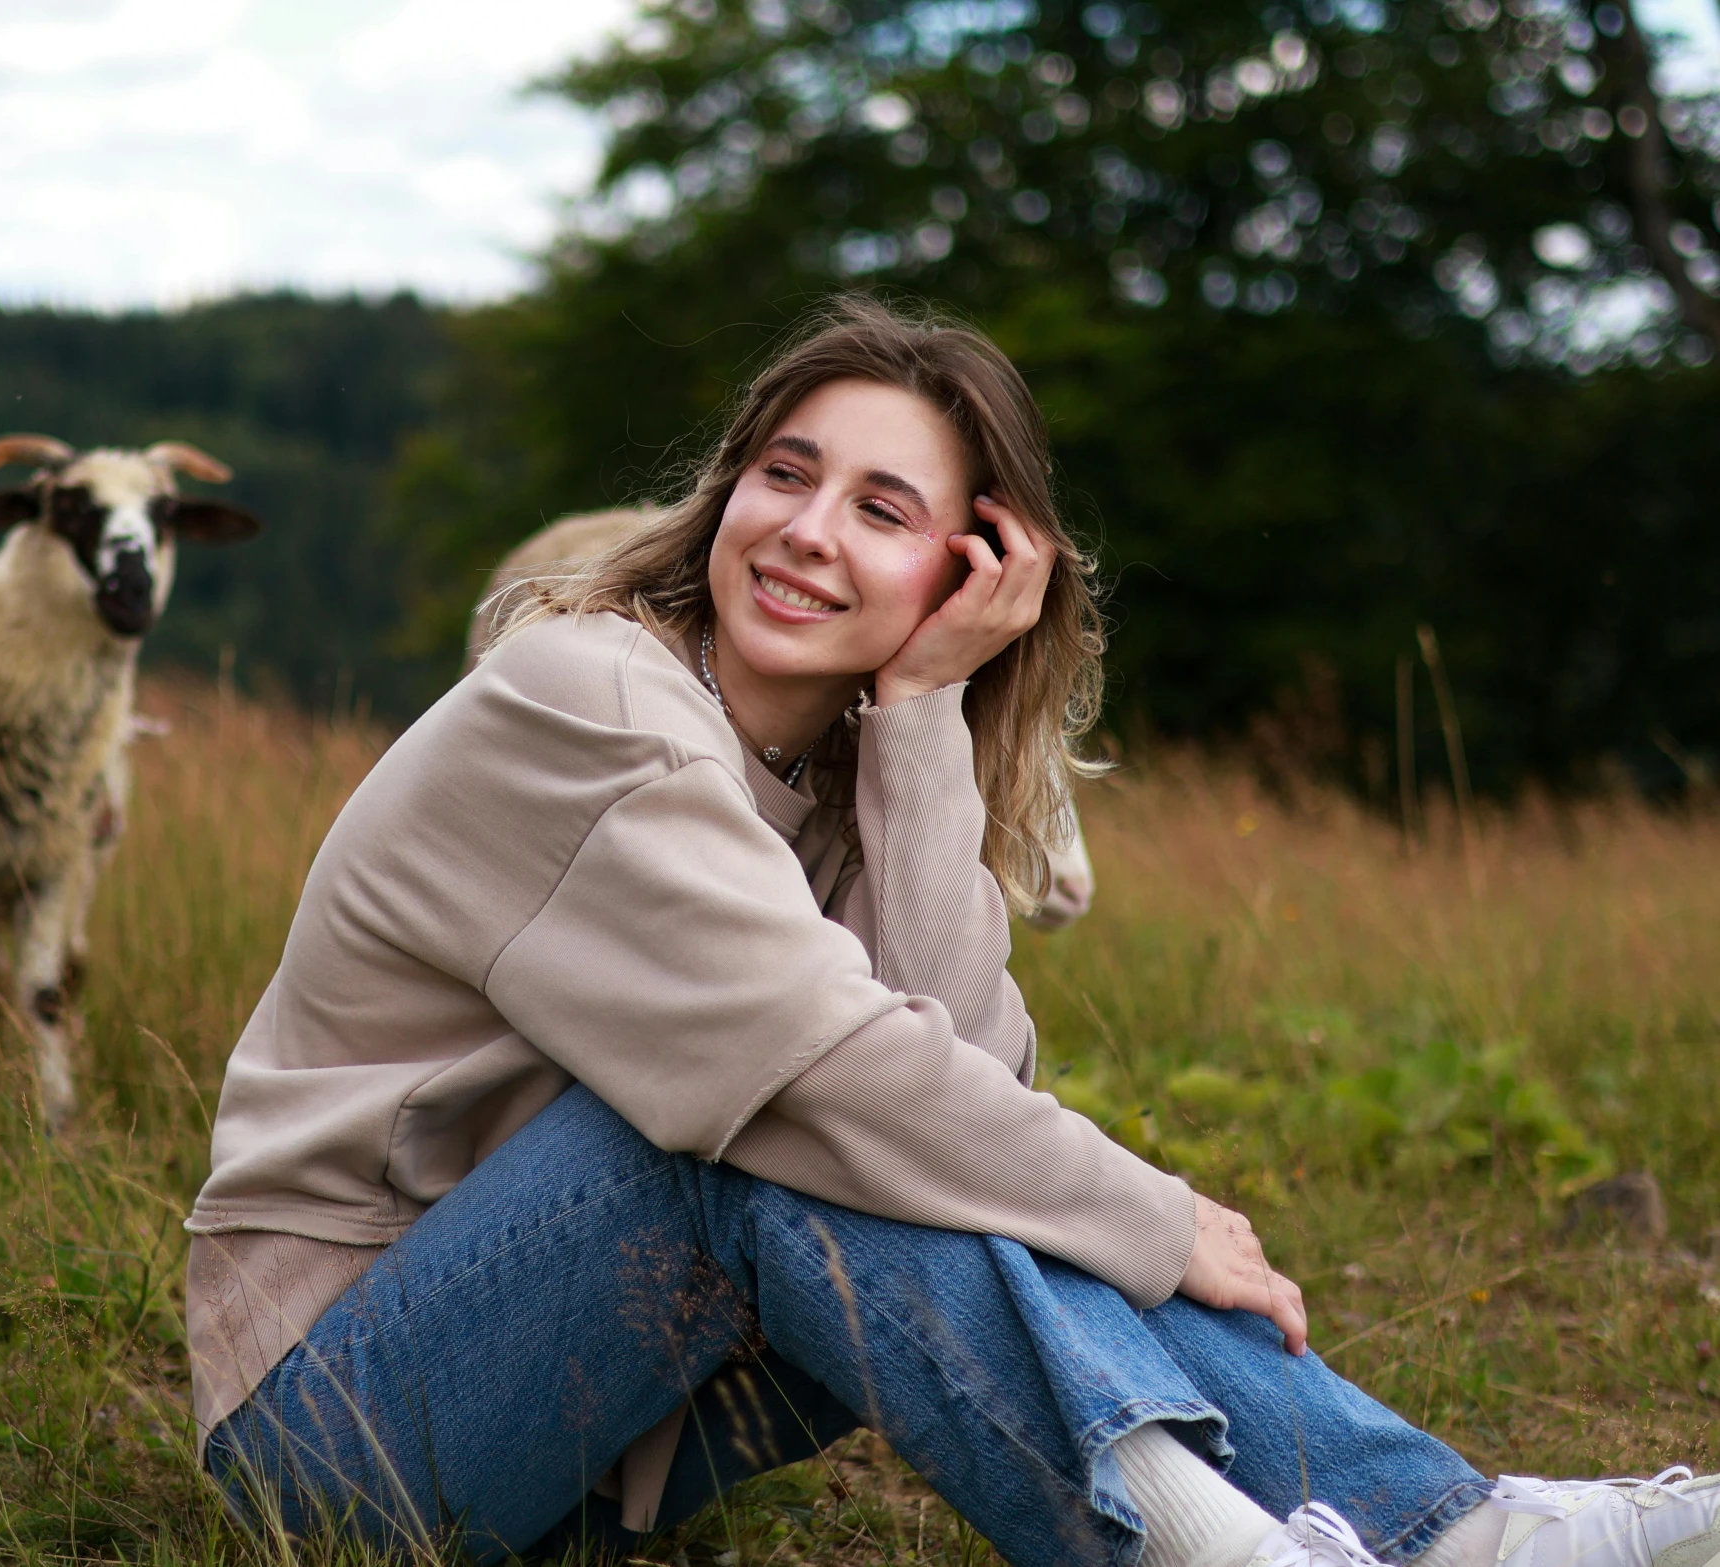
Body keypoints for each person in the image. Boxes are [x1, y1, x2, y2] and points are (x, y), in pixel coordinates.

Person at [181, 297, 1718, 1567]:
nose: (804, 532)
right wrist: (1156, 1211)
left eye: (882, 510)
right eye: (782, 475)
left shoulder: (847, 773)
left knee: (888, 1125)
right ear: (721, 493)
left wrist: (917, 724)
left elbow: (966, 1093)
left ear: (967, 574)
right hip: (331, 1441)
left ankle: (1444, 1533)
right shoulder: (587, 697)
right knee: (754, 1129)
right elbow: (844, 1080)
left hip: (576, 1465)